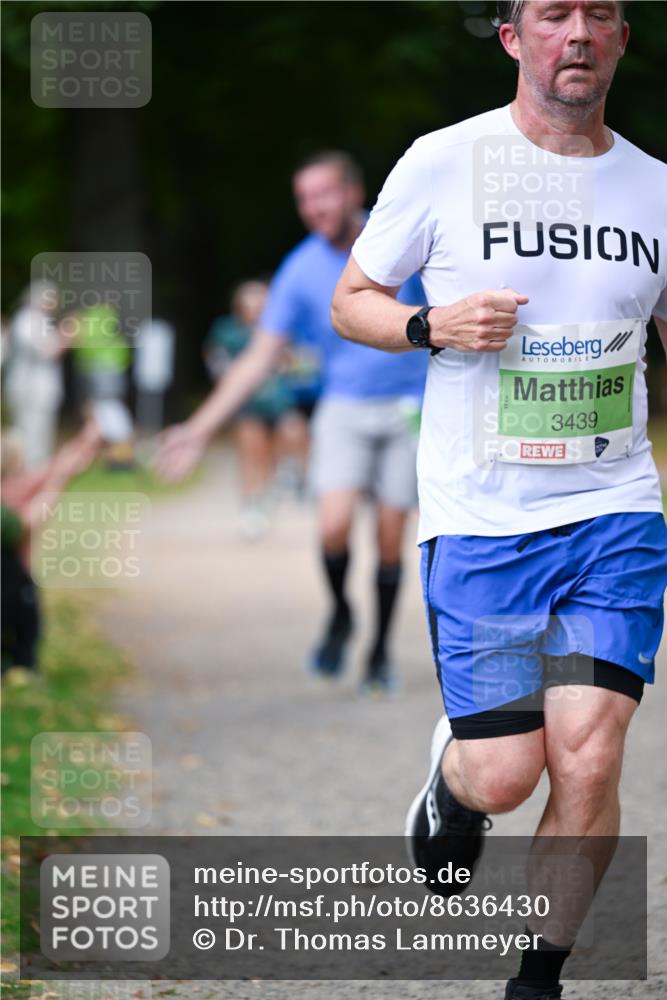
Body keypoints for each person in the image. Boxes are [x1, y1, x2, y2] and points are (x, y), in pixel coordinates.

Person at [331, 2, 667, 996]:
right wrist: (430, 322)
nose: (577, 31)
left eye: (597, 13)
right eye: (552, 12)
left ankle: (538, 978)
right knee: (508, 774)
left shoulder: (654, 188)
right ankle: (454, 783)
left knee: (591, 760)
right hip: (483, 519)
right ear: (511, 36)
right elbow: (354, 301)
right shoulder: (443, 161)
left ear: (619, 40)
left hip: (616, 509)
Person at [156, 151, 428, 690]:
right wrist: (197, 429)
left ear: (353, 192)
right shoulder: (301, 268)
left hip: (411, 406)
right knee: (332, 526)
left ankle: (377, 652)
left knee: (392, 538)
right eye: (303, 198)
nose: (313, 207)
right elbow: (258, 357)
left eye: (323, 193)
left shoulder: (399, 238)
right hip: (343, 406)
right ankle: (342, 614)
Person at [203, 279, 294, 539]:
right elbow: (216, 361)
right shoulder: (227, 331)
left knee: (273, 452)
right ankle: (250, 503)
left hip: (276, 401)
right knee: (251, 451)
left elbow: (293, 360)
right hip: (246, 402)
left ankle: (267, 494)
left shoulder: (277, 330)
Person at [4, 281, 69, 468]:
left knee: (39, 432)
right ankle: (26, 472)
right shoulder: (26, 319)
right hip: (28, 387)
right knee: (28, 431)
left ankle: (36, 472)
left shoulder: (40, 320)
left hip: (40, 388)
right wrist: (66, 335)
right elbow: (46, 350)